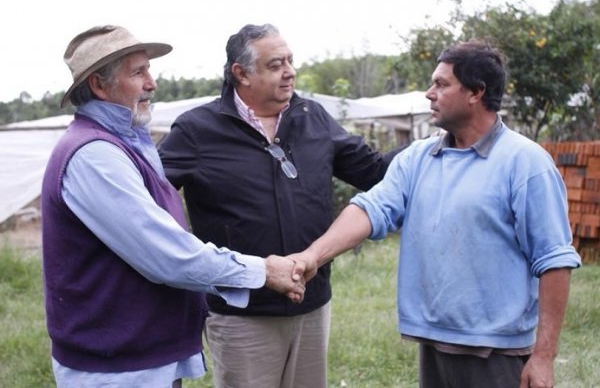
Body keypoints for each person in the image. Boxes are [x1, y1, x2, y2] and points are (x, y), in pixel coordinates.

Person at [289, 40, 582, 388]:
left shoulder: (525, 163)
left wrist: (544, 357)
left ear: (476, 92)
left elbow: (554, 261)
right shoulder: (419, 157)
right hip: (433, 343)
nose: (429, 93)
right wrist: (312, 257)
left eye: (441, 84)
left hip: (497, 354)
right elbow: (372, 207)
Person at [41, 25, 306, 388]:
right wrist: (262, 271)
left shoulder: (124, 143)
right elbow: (167, 255)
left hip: (134, 357)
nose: (152, 83)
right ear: (99, 86)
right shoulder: (95, 156)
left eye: (148, 70)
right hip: (117, 370)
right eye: (138, 73)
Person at [157, 23, 404, 388]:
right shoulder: (198, 130)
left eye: (290, 60)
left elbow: (374, 171)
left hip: (312, 303)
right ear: (241, 73)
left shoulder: (311, 117)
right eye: (275, 64)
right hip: (243, 314)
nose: (290, 71)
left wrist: (434, 146)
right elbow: (151, 199)